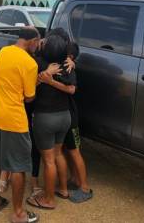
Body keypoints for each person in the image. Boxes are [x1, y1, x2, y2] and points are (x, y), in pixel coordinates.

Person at [0, 27, 41, 223]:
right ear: (32, 41)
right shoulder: (30, 63)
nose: (38, 46)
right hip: (14, 120)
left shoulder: (4, 52)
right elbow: (29, 97)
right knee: (18, 166)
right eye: (38, 43)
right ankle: (18, 213)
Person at [26, 32, 76, 209]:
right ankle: (62, 190)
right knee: (58, 154)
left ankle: (48, 199)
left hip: (45, 118)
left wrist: (47, 79)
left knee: (48, 160)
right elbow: (71, 90)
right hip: (65, 116)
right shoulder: (67, 65)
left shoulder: (37, 63)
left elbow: (28, 88)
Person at [63, 42, 93, 203]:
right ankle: (74, 179)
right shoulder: (64, 65)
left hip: (71, 116)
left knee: (74, 150)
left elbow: (71, 89)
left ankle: (85, 187)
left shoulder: (70, 68)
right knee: (68, 150)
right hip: (65, 115)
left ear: (71, 57)